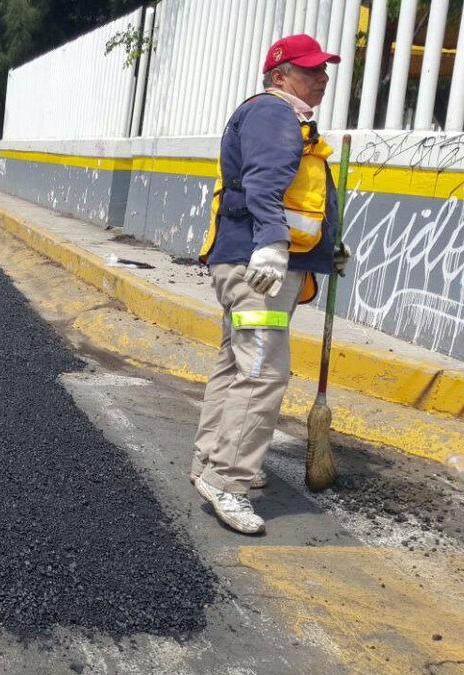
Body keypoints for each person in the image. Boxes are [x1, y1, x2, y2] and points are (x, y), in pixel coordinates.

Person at [191, 34, 351, 535]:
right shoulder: (274, 112)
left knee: (236, 362)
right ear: (280, 76)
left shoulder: (289, 119)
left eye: (324, 69)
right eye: (311, 70)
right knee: (262, 372)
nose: (322, 77)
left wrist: (327, 247)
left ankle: (210, 461)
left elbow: (299, 200)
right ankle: (228, 480)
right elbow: (264, 183)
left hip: (251, 263)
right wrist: (272, 246)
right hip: (257, 267)